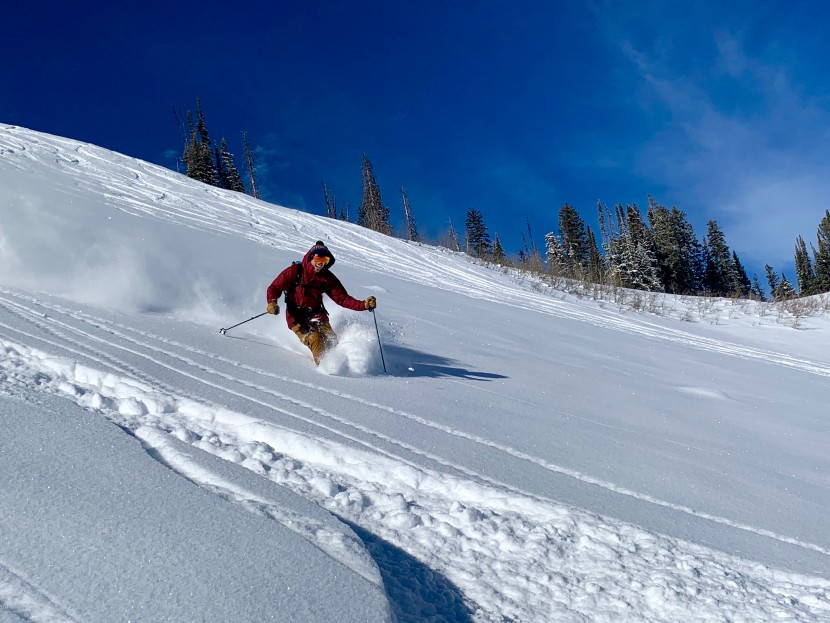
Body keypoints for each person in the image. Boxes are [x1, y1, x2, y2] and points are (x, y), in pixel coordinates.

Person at [266, 241, 377, 365]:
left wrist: (363, 305)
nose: (320, 263)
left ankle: (343, 365)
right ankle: (326, 371)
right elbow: (274, 288)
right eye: (318, 258)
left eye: (324, 259)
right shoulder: (295, 271)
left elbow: (342, 298)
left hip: (317, 315)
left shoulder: (327, 278)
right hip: (296, 317)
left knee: (332, 341)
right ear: (311, 257)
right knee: (315, 340)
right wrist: (272, 302)